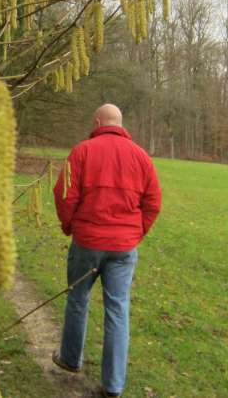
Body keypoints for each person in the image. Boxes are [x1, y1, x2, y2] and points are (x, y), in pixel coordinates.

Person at [51, 104, 162, 398]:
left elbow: (64, 193)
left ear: (98, 121)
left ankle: (70, 360)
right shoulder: (141, 157)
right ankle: (113, 385)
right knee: (117, 310)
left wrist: (69, 226)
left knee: (77, 299)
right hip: (124, 247)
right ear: (120, 123)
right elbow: (153, 203)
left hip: (87, 242)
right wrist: (136, 233)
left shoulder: (83, 151)